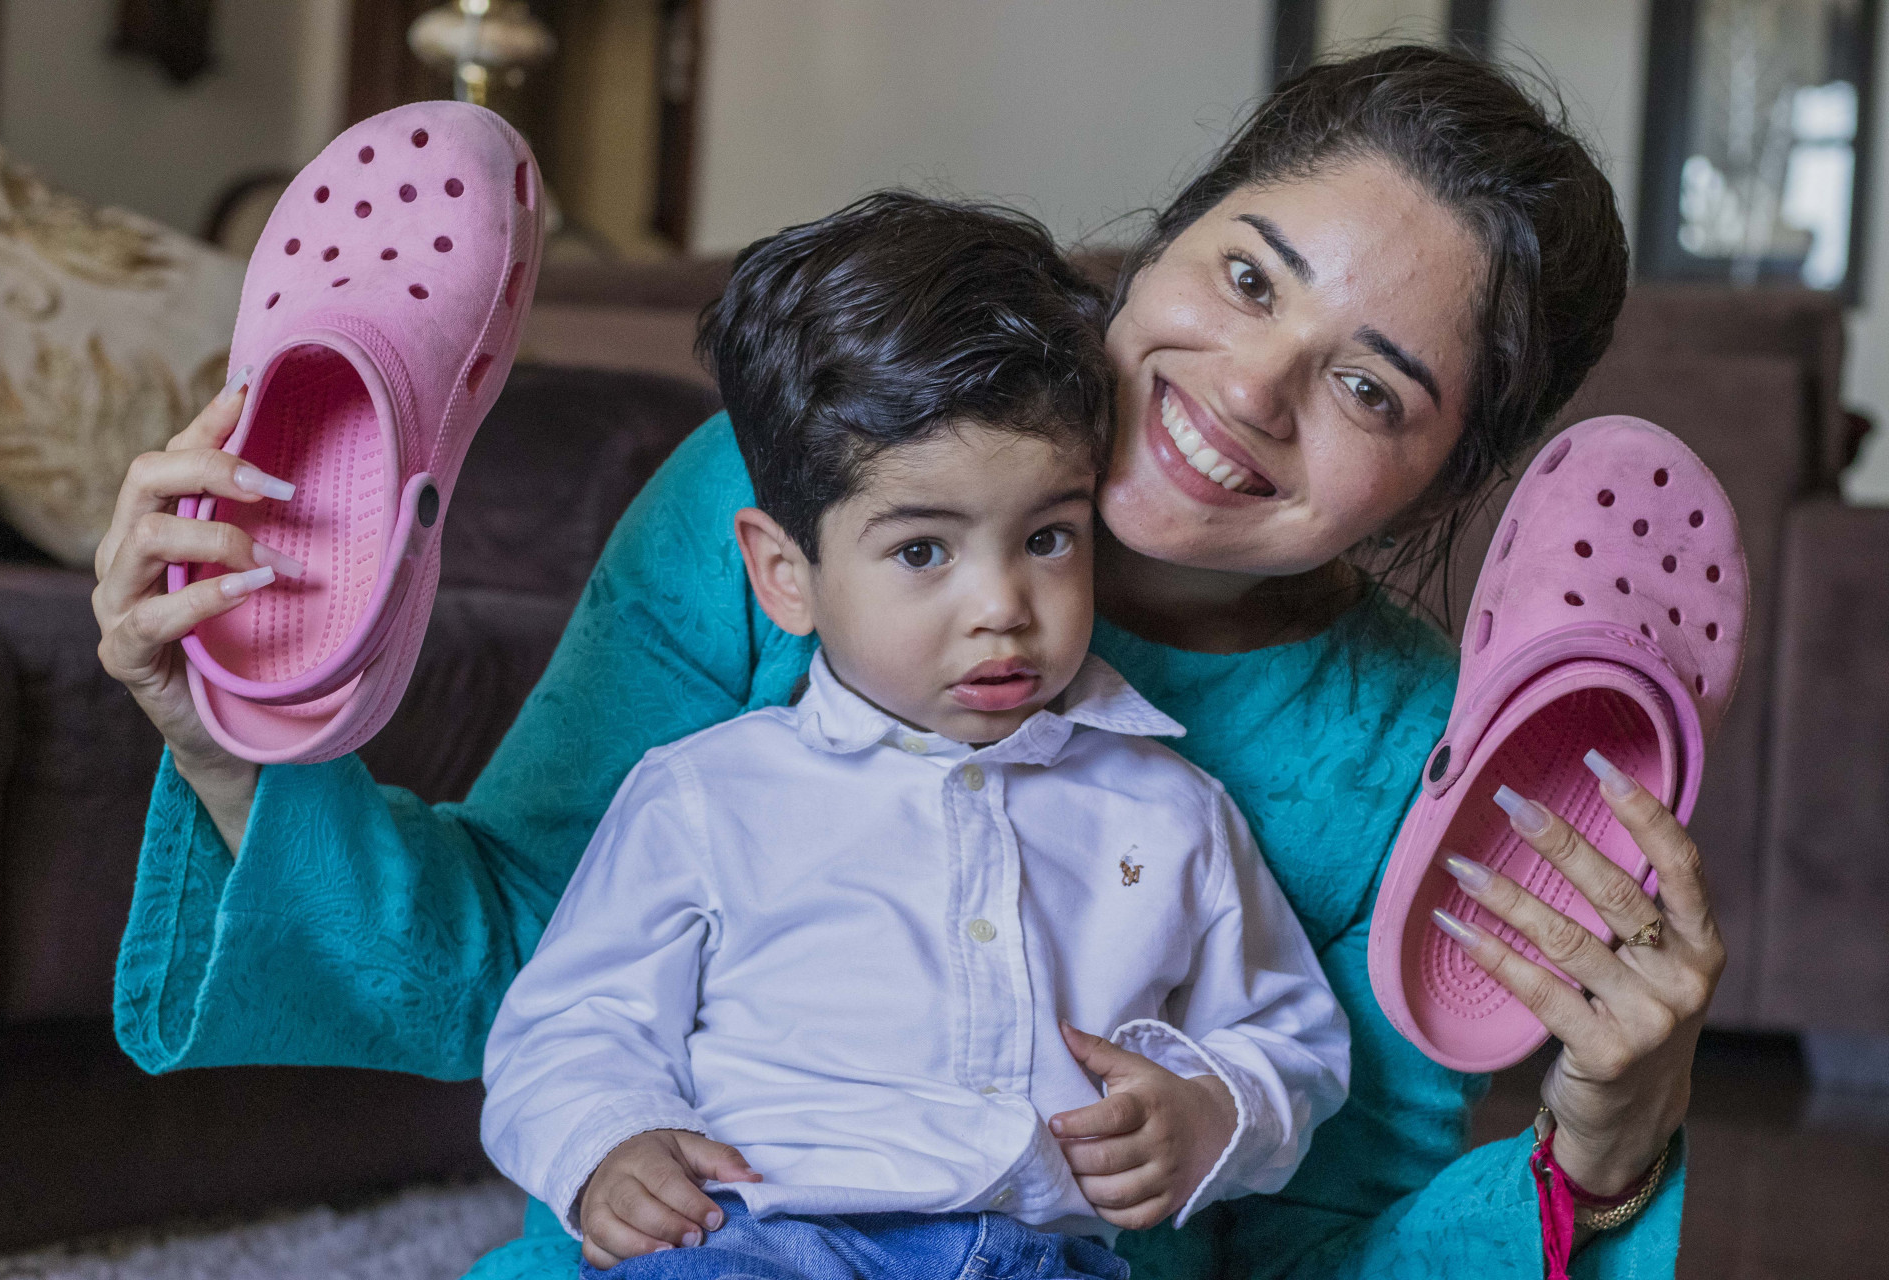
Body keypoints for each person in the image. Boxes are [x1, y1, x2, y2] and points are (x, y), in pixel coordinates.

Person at [95, 46, 1721, 1278]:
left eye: (1375, 390)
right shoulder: (781, 486)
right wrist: (233, 744)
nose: (1250, 388)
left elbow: (1322, 1231)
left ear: (1449, 483)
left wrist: (1611, 1137)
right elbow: (530, 950)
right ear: (1160, 243)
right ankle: (311, 621)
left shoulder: (1410, 753)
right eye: (1245, 276)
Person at [482, 194, 1350, 1279]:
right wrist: (606, 1142)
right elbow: (571, 1024)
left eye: (1046, 537)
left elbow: (1290, 1039)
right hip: (761, 1237)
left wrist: (1213, 1112)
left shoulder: (1168, 807)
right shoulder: (707, 795)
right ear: (784, 573)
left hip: (1047, 1257)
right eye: (923, 552)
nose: (1002, 604)